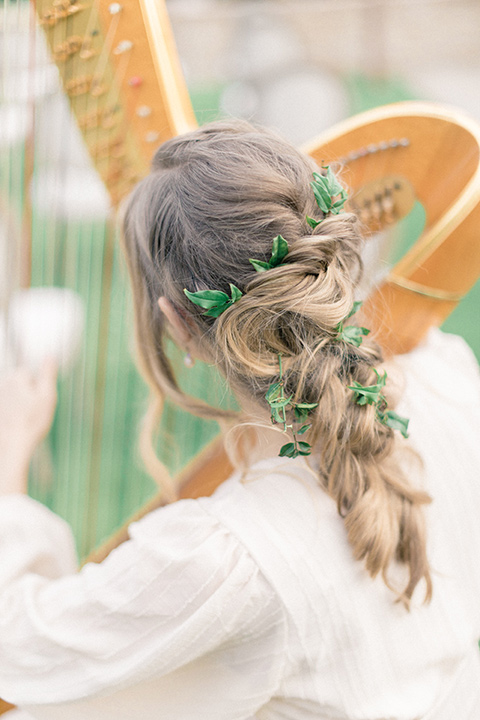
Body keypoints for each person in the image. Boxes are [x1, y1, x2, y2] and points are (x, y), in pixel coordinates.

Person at [0, 120, 479, 720]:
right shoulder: (450, 381)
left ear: (177, 325)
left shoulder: (227, 561)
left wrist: (9, 461)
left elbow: (16, 650)